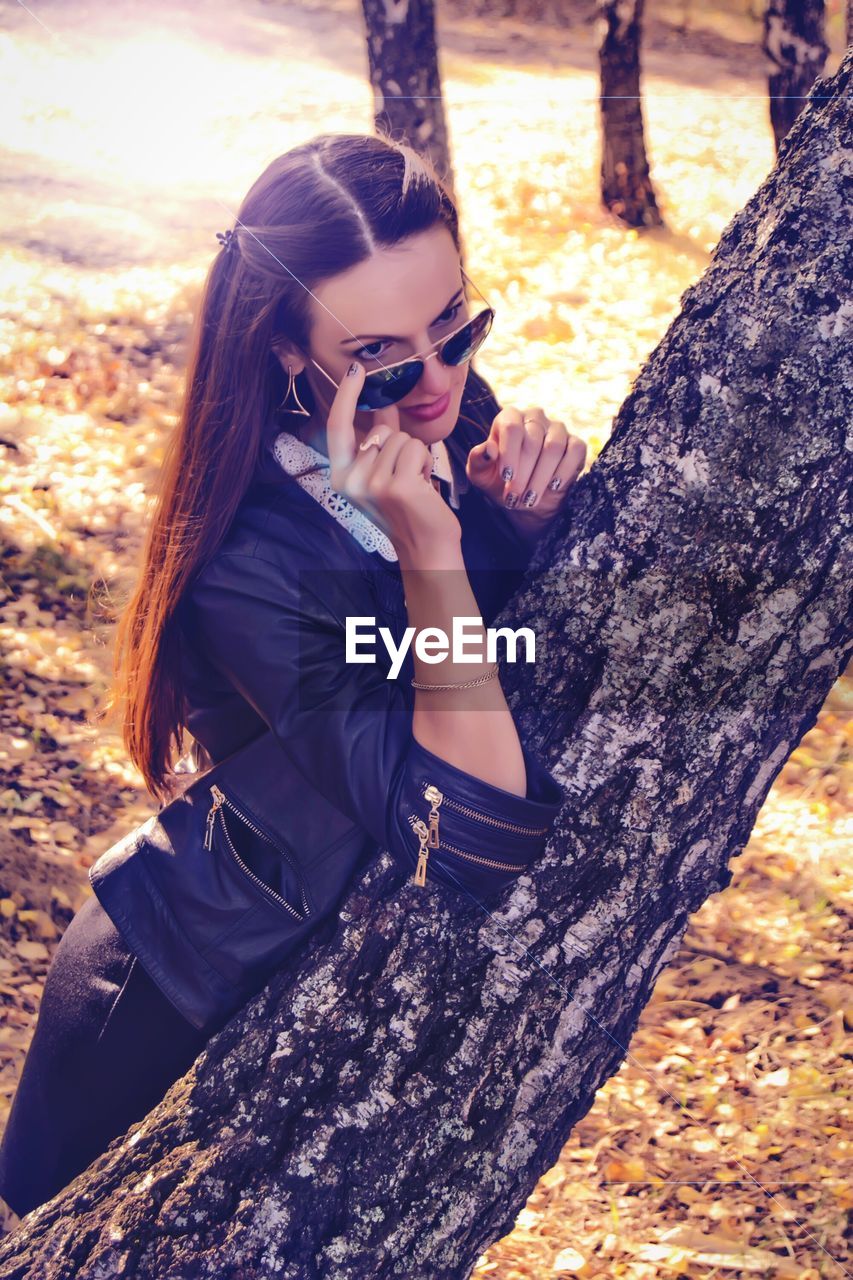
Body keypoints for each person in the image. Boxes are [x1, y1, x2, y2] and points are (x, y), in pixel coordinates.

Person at [0, 132, 585, 1220]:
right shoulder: (244, 565)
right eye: (388, 356)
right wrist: (432, 550)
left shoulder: (441, 413)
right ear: (283, 352)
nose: (443, 382)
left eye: (455, 327)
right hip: (169, 982)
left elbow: (524, 656)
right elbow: (466, 833)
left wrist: (528, 523)